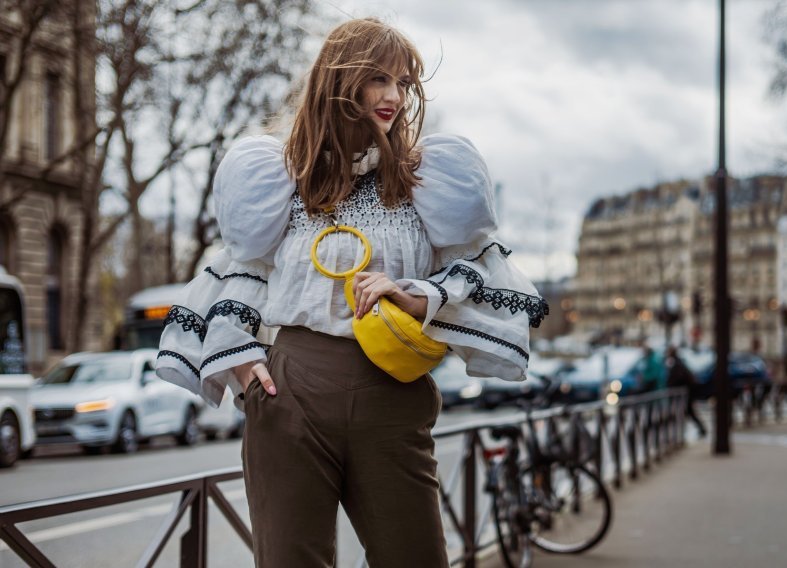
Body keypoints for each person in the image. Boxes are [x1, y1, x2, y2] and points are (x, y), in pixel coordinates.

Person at [156, 18, 547, 567]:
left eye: (404, 84)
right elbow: (239, 271)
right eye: (379, 79)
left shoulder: (425, 182)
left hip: (392, 392)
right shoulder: (281, 181)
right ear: (340, 82)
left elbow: (478, 274)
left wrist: (415, 295)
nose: (394, 96)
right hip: (291, 394)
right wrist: (244, 366)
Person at [665, 346, 707, 437]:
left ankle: (700, 429)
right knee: (687, 412)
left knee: (687, 412)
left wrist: (671, 385)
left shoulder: (677, 364)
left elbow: (677, 379)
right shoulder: (679, 362)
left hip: (685, 393)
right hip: (686, 392)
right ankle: (700, 429)